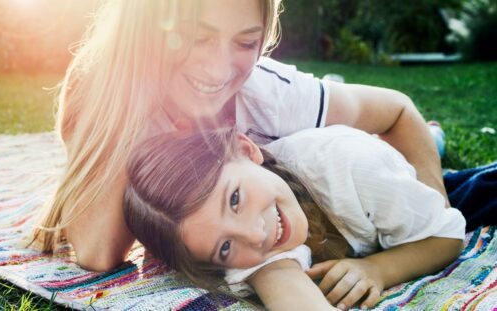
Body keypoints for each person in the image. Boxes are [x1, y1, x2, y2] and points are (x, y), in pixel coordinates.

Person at [30, 0, 448, 272]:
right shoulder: (103, 94)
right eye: (197, 39)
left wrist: (435, 210)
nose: (218, 70)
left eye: (246, 42)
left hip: (343, 161)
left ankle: (437, 139)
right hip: (307, 176)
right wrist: (135, 101)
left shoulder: (268, 91)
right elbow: (98, 252)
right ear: (145, 34)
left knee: (409, 158)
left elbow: (397, 109)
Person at [123, 126, 465, 310]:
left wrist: (377, 268)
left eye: (236, 199)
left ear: (247, 150)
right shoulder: (235, 241)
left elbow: (447, 236)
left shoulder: (355, 167)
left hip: (386, 163)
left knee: (444, 158)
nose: (255, 235)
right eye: (225, 247)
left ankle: (433, 131)